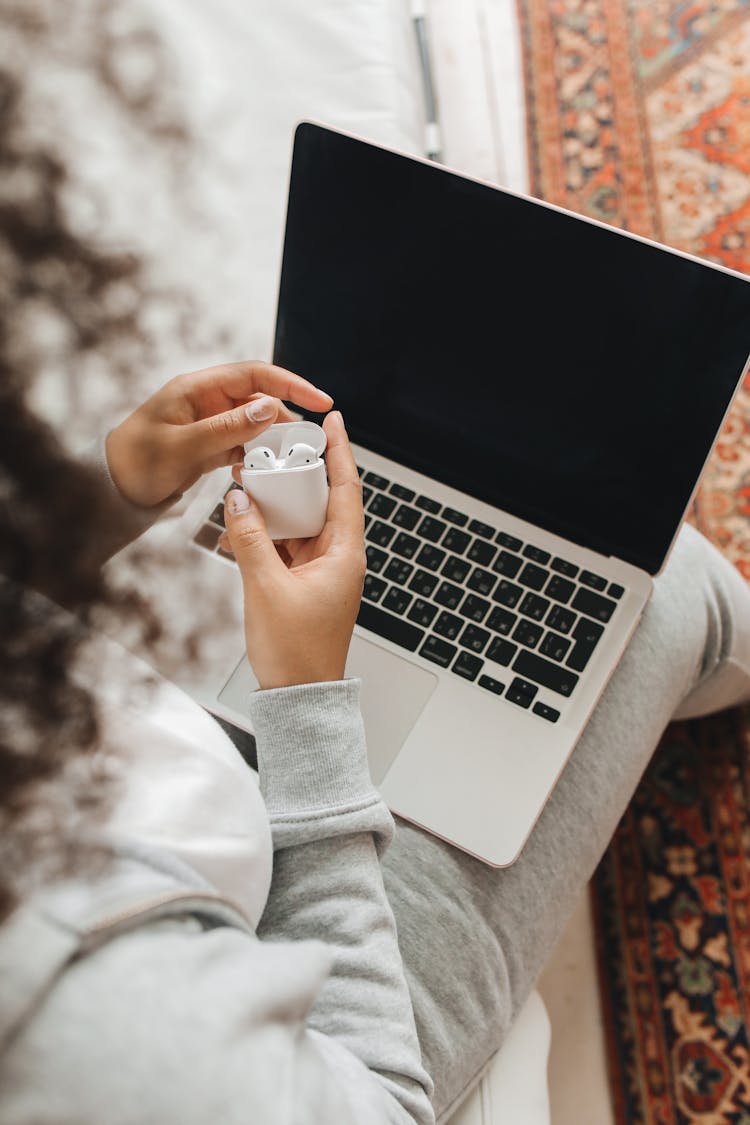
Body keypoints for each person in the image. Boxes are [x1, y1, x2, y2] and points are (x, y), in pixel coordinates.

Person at [3, 4, 750, 1123]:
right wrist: (308, 700)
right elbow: (379, 1102)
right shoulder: (110, 1034)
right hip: (296, 982)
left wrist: (105, 495)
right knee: (666, 586)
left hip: (142, 776)